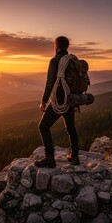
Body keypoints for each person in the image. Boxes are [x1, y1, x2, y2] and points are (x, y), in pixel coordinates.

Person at [34, 36, 80, 168]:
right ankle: (75, 157)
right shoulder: (72, 60)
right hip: (71, 99)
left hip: (59, 99)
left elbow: (50, 83)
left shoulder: (55, 60)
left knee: (43, 126)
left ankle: (50, 158)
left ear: (57, 46)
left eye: (54, 45)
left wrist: (43, 101)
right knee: (70, 127)